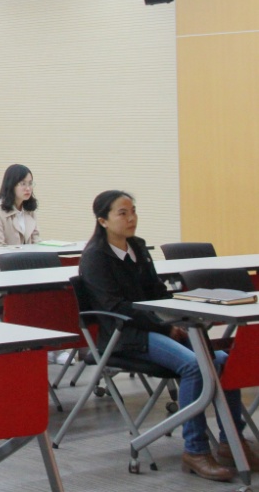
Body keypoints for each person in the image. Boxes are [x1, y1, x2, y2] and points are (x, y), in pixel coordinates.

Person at [79, 190, 258, 481]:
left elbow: (157, 293)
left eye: (133, 211)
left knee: (223, 360)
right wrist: (164, 327)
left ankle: (231, 442)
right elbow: (116, 307)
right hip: (126, 336)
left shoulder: (137, 246)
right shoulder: (95, 258)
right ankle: (195, 450)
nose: (131, 218)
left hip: (156, 327)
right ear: (103, 220)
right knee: (194, 366)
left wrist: (181, 315)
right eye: (122, 213)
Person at [0, 164, 41, 246]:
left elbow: (36, 242)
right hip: (1, 254)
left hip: (27, 254)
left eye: (30, 183)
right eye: (23, 183)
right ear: (11, 185)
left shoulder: (29, 210)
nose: (28, 188)